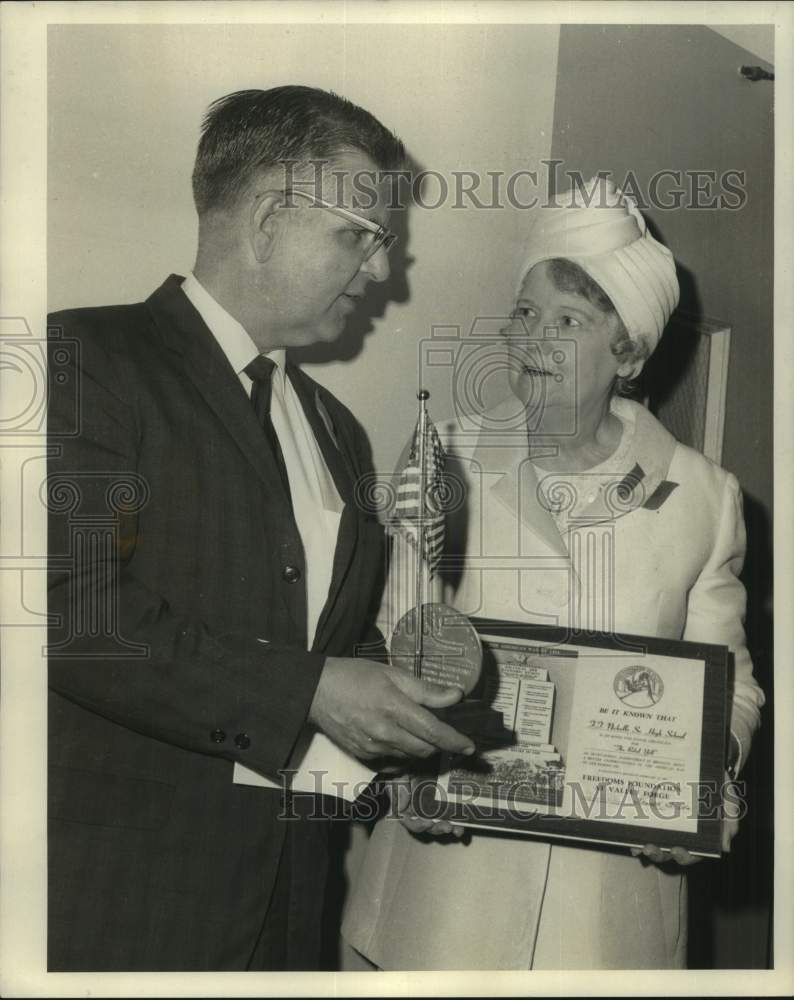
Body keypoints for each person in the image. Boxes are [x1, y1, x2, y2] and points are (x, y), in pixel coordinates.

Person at [46, 86, 474, 972]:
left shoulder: (336, 430)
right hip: (120, 913)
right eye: (362, 236)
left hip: (288, 917)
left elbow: (326, 653)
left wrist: (402, 751)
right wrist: (312, 691)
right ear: (272, 218)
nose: (380, 273)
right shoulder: (84, 361)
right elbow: (68, 612)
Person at [342, 177, 765, 970]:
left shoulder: (705, 497)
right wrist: (402, 769)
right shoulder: (447, 455)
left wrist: (710, 784)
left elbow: (729, 684)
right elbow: (387, 637)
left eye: (568, 321)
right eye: (525, 314)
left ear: (627, 350)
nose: (533, 339)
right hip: (442, 899)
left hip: (608, 916)